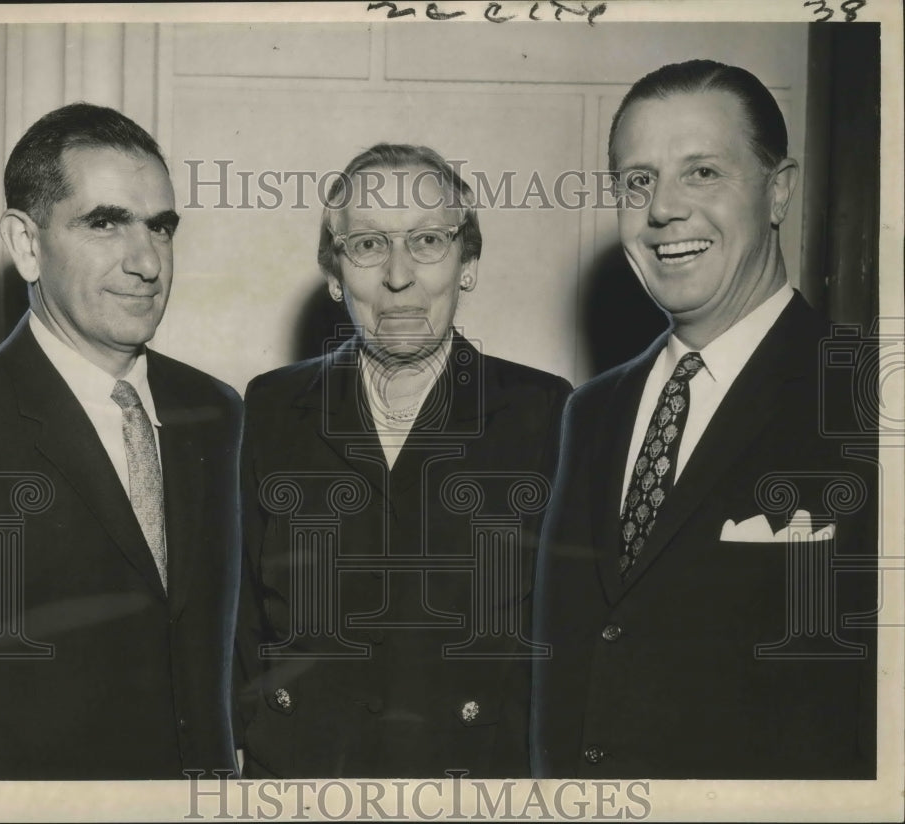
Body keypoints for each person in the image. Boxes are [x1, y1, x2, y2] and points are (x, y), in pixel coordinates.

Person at [531, 60, 877, 779]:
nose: (663, 210)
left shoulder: (870, 400)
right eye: (638, 181)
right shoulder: (590, 412)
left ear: (778, 191)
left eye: (703, 173)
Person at [0, 103, 243, 779]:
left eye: (161, 228)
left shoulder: (218, 412)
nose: (147, 262)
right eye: (106, 223)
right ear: (26, 244)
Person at [236, 143, 571, 778]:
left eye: (427, 242)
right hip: (303, 777)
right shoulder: (272, 407)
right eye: (367, 244)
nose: (398, 275)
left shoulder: (545, 412)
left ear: (467, 262)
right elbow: (241, 614)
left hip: (474, 779)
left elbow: (562, 632)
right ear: (336, 275)